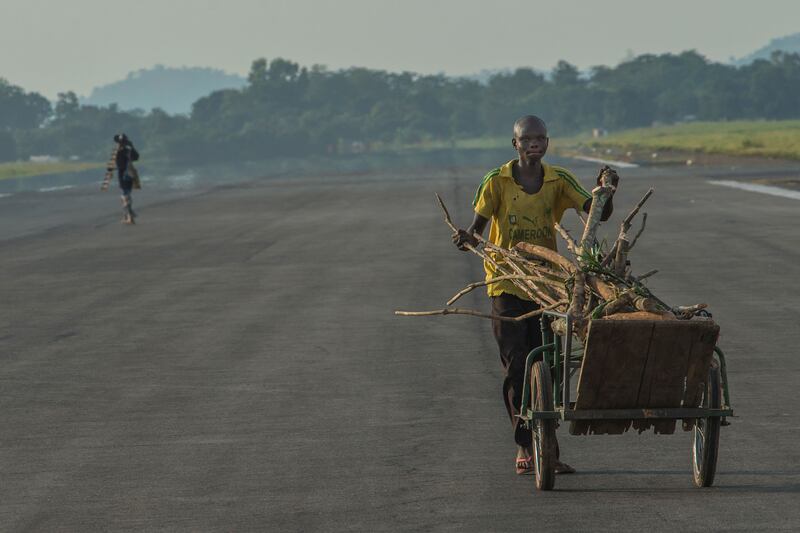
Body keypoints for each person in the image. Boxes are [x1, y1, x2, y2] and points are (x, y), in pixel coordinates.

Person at [452, 115, 618, 475]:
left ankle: (549, 449)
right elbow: (476, 230)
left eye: (540, 139)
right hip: (507, 281)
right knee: (517, 365)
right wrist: (466, 240)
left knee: (550, 365)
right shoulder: (496, 181)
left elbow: (597, 214)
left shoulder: (558, 180)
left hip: (548, 287)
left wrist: (606, 192)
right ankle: (525, 445)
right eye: (527, 139)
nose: (534, 144)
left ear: (547, 143)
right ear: (515, 144)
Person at [113, 133, 140, 224]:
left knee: (124, 195)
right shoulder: (128, 150)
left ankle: (129, 216)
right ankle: (128, 216)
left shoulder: (118, 151)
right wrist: (131, 146)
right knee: (127, 194)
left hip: (123, 175)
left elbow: (120, 165)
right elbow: (136, 157)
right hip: (130, 174)